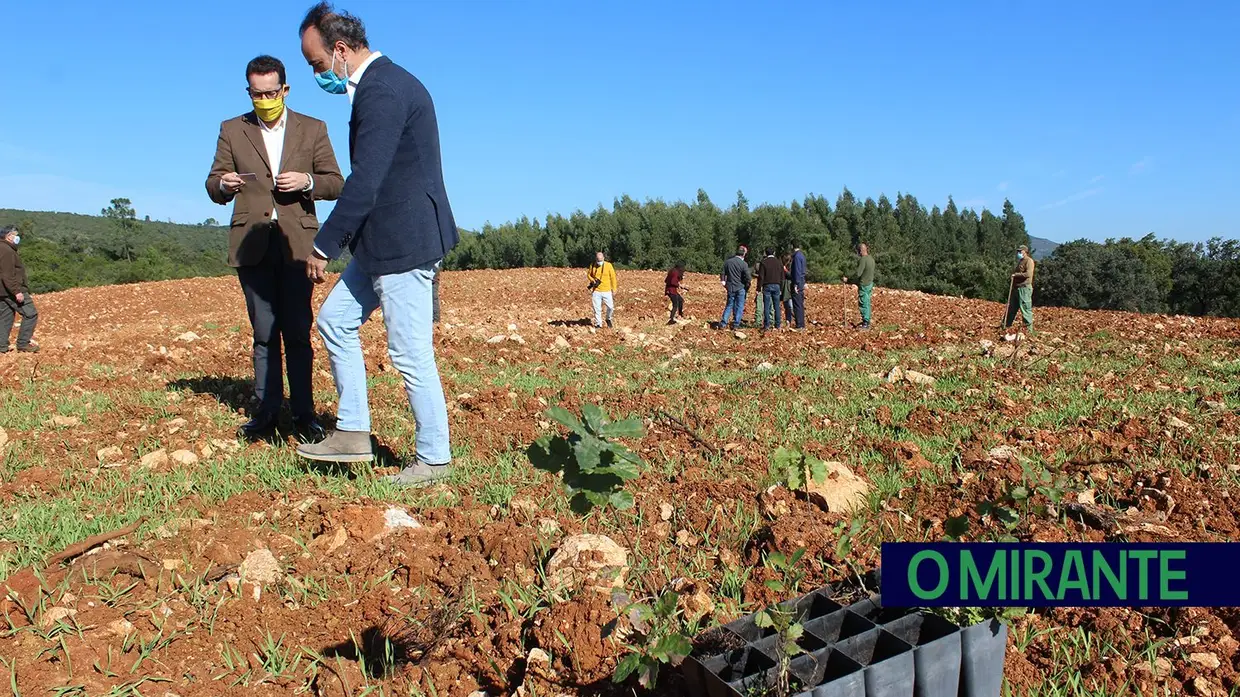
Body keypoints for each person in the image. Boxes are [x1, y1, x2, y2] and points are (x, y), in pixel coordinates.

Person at [295, 2, 460, 488]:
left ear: (341, 50)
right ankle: (352, 433)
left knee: (409, 351)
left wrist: (324, 246)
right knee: (335, 321)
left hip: (404, 241)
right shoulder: (381, 85)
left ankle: (434, 459)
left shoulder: (382, 90)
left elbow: (366, 181)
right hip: (381, 240)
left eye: (318, 65)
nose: (317, 74)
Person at [206, 55, 344, 441]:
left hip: (297, 245)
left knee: (298, 331)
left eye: (271, 92)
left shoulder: (312, 129)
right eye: (256, 93)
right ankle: (265, 414)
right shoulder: (233, 129)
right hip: (252, 246)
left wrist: (307, 181)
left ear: (284, 89)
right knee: (264, 332)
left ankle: (304, 416)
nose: (264, 99)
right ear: (248, 91)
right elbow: (212, 182)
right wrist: (223, 184)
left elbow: (336, 182)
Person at [0, 226, 38, 354]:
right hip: (10, 290)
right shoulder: (6, 250)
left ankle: (1, 346)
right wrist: (16, 291)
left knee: (5, 317)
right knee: (31, 313)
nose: (17, 237)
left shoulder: (4, 248)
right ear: (8, 236)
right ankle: (23, 343)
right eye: (15, 235)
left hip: (3, 291)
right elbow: (7, 274)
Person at [842, 243, 876, 330]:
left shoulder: (863, 260)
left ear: (860, 251)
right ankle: (867, 320)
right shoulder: (871, 259)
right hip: (870, 283)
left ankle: (865, 323)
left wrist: (848, 279)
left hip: (864, 284)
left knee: (863, 302)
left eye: (858, 251)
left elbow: (858, 273)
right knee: (867, 302)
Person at [1005, 244, 1035, 334]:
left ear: (1025, 252)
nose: (1018, 253)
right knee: (1011, 309)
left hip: (1024, 288)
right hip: (1017, 288)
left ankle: (1028, 331)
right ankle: (1006, 326)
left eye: (1020, 251)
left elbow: (1028, 274)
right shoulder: (1021, 261)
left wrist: (1016, 275)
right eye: (1018, 251)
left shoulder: (1029, 261)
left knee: (1025, 309)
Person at [719, 246, 750, 330]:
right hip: (740, 287)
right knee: (739, 306)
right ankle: (736, 324)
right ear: (743, 255)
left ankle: (723, 323)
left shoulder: (728, 262)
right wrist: (747, 286)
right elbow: (748, 277)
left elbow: (722, 273)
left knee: (729, 305)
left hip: (730, 286)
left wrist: (724, 283)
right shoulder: (744, 264)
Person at [587, 251, 618, 328]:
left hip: (607, 290)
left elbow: (613, 277)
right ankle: (598, 324)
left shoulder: (608, 265)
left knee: (610, 307)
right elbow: (588, 274)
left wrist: (614, 288)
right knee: (597, 308)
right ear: (596, 259)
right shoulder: (593, 265)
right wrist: (592, 280)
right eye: (598, 260)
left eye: (601, 260)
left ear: (603, 258)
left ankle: (608, 318)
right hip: (596, 291)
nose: (599, 262)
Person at [757, 248, 784, 330]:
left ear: (765, 253)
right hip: (777, 285)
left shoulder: (764, 262)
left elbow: (761, 277)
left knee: (767, 306)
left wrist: (758, 288)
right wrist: (781, 288)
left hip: (767, 286)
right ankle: (778, 324)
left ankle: (767, 324)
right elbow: (782, 276)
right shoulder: (779, 263)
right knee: (777, 306)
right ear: (774, 253)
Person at [790, 242, 808, 329]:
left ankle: (799, 324)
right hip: (801, 281)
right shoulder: (802, 255)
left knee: (797, 304)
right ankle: (801, 324)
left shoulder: (796, 257)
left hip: (797, 282)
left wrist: (796, 284)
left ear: (791, 246)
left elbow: (797, 271)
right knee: (800, 303)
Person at [780, 254, 794, 328]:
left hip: (789, 287)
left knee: (790, 305)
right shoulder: (781, 266)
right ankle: (788, 321)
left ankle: (796, 318)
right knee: (786, 306)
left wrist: (785, 270)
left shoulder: (791, 266)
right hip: (783, 287)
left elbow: (791, 276)